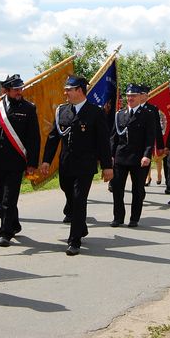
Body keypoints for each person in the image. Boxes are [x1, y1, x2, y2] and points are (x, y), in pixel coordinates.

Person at [41, 76, 112, 256]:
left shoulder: (95, 113)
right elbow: (53, 138)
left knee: (79, 200)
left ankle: (74, 241)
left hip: (85, 165)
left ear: (79, 90)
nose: (65, 93)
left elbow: (103, 142)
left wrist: (107, 166)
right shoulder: (62, 111)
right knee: (69, 194)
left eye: (68, 89)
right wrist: (46, 161)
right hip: (66, 164)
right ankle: (81, 226)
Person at [0, 74, 40, 247]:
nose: (19, 92)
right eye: (15, 89)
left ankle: (5, 233)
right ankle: (14, 224)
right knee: (1, 196)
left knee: (9, 197)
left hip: (15, 160)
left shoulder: (28, 108)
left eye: (21, 89)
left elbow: (33, 138)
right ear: (5, 90)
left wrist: (32, 163)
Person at [110, 84, 155, 227]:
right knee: (117, 189)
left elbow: (150, 138)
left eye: (133, 96)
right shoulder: (119, 115)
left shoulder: (147, 114)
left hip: (139, 158)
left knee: (138, 190)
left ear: (140, 97)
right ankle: (118, 217)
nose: (130, 98)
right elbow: (113, 138)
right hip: (121, 157)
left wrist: (147, 155)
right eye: (128, 96)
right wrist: (110, 156)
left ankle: (134, 218)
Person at [140, 85, 165, 187]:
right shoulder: (132, 107)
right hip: (137, 140)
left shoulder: (152, 109)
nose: (140, 96)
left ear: (146, 96)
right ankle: (146, 177)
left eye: (142, 94)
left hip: (149, 139)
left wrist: (160, 145)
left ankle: (153, 175)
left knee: (149, 157)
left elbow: (157, 127)